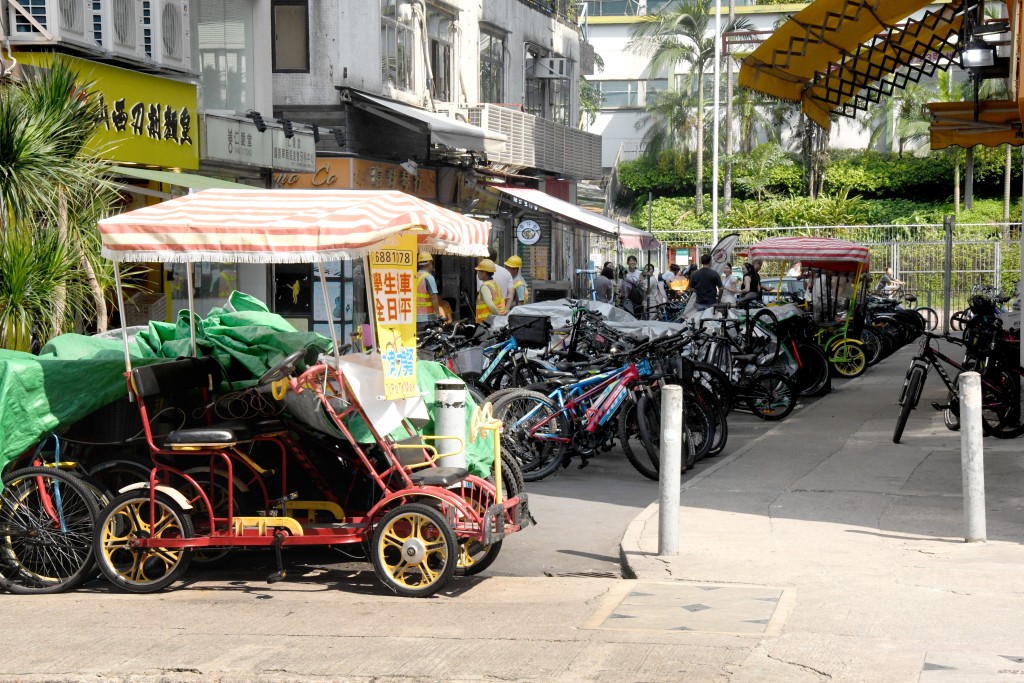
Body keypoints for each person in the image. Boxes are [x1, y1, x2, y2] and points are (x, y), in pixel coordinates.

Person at [415, 252, 441, 335]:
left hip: (414, 319)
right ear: (429, 263)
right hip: (427, 318)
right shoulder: (429, 277)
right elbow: (433, 297)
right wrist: (437, 314)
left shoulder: (413, 276)